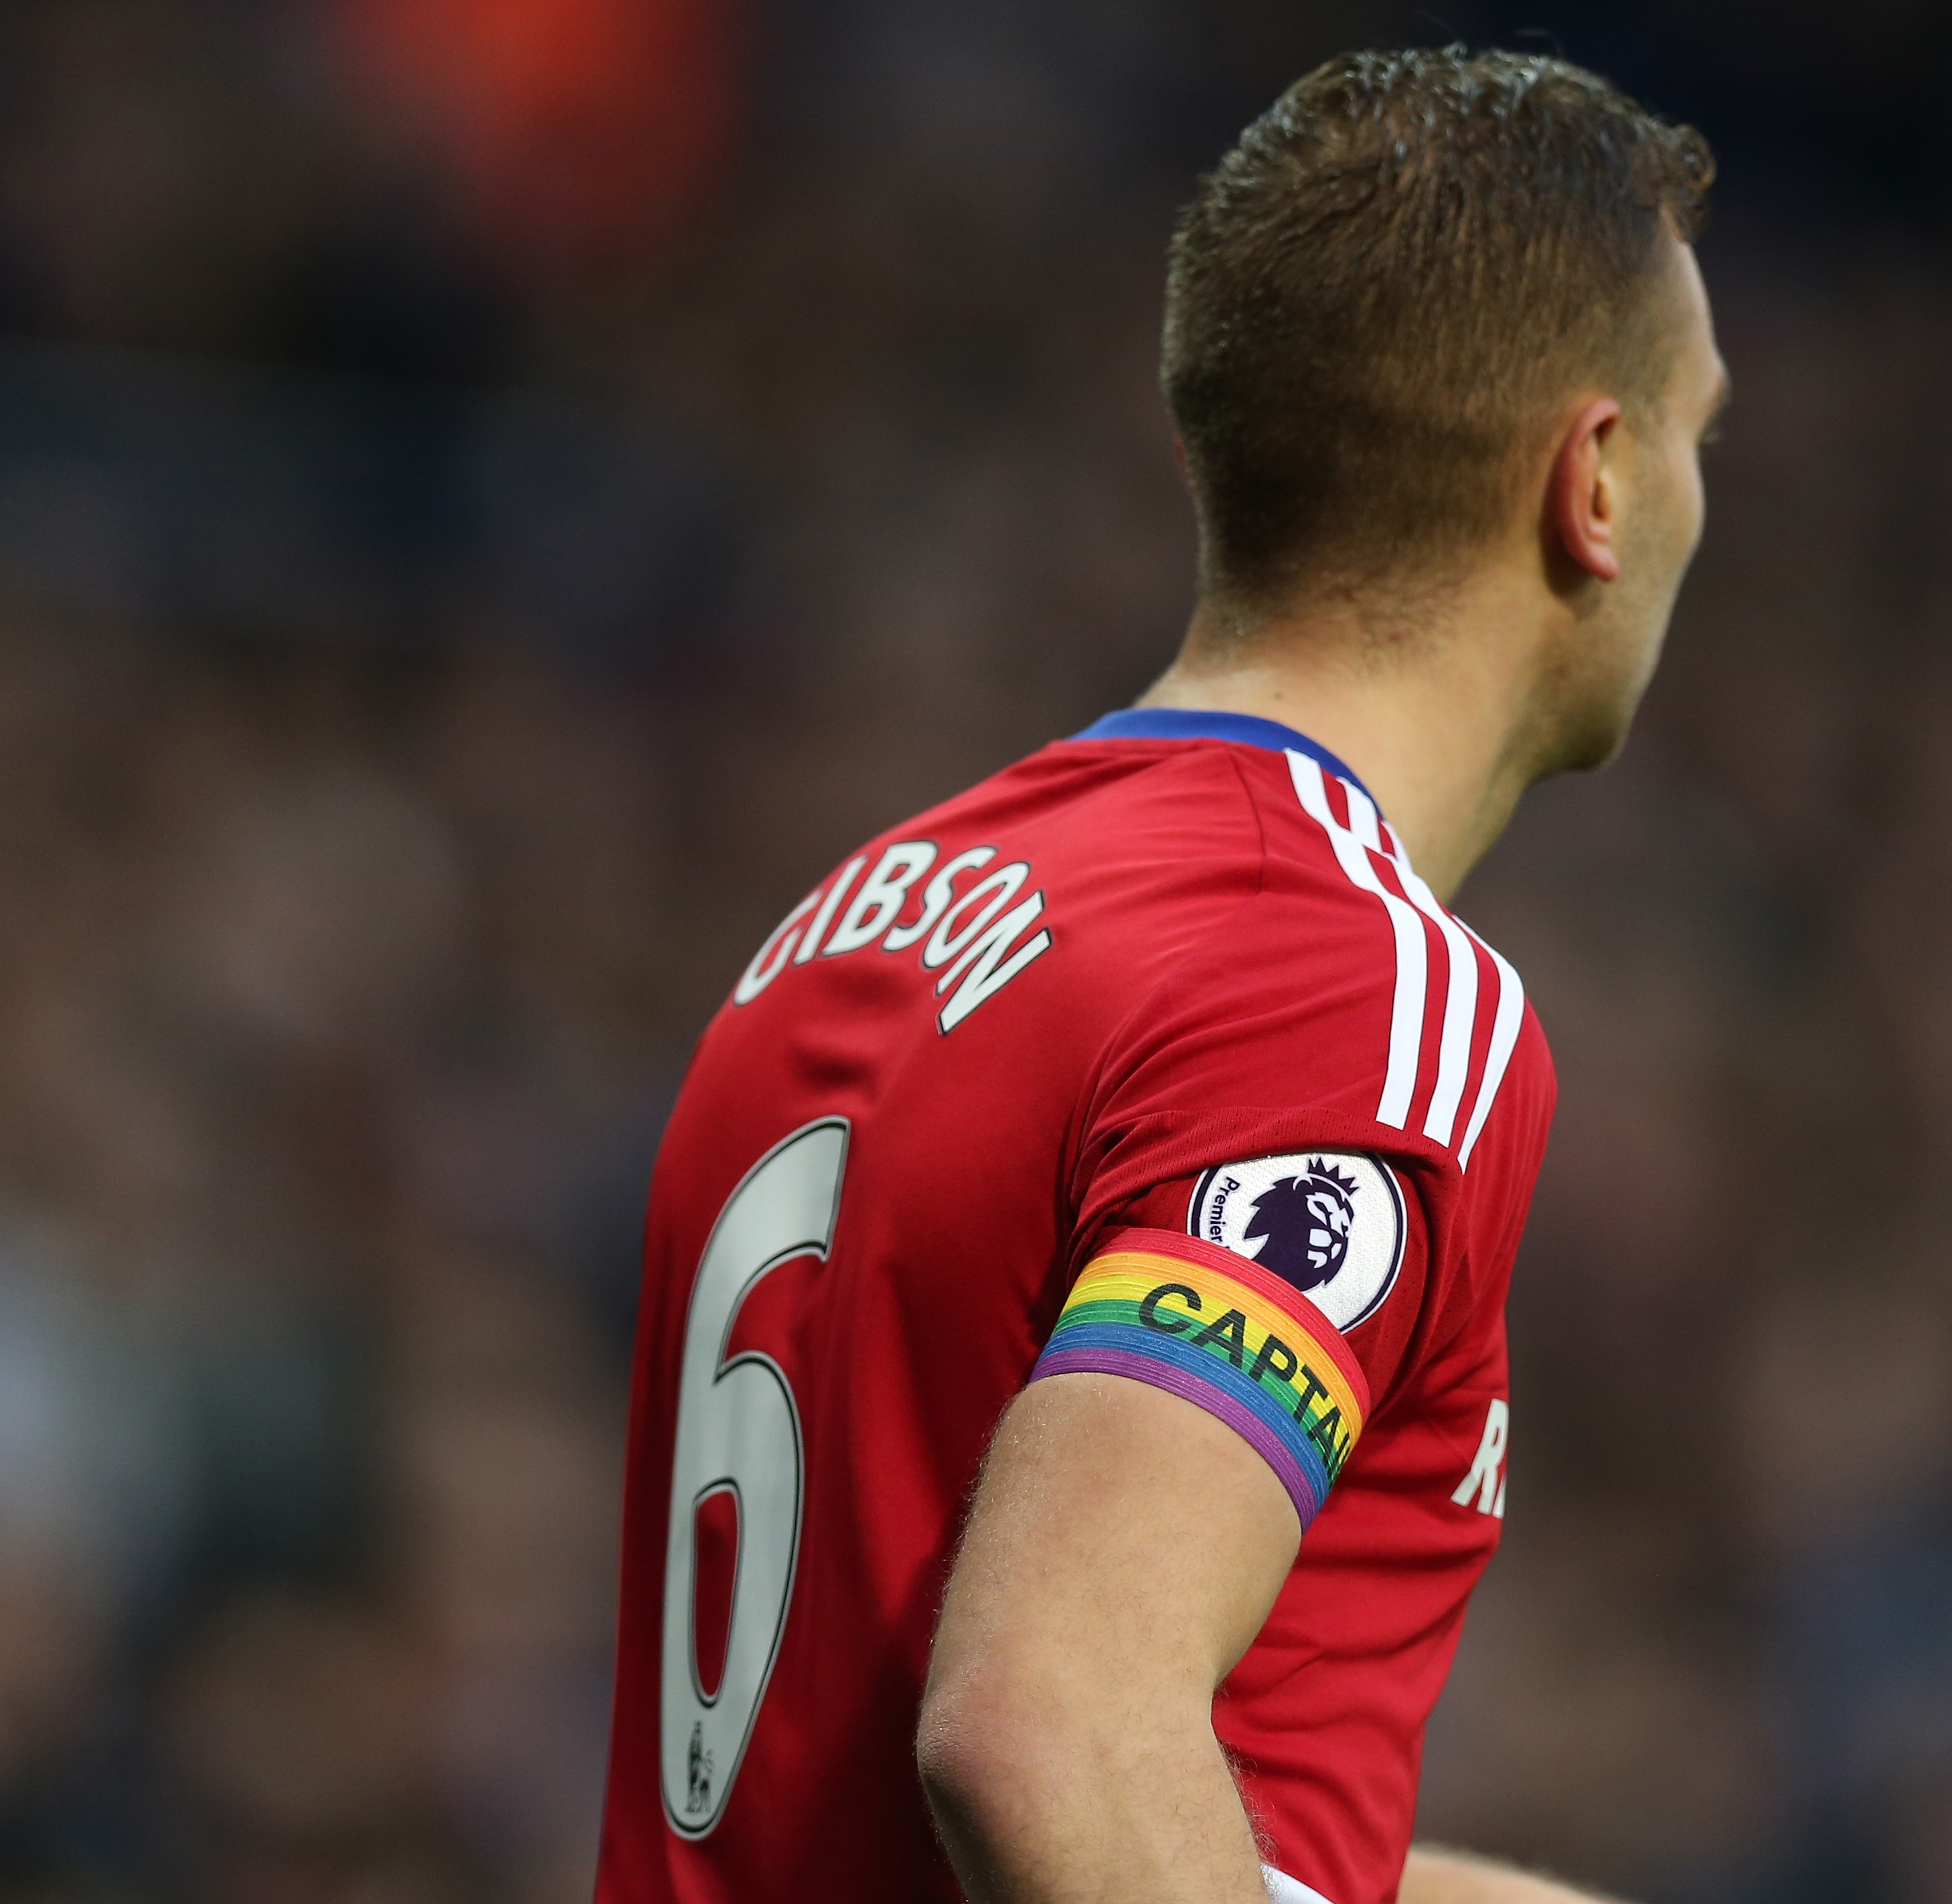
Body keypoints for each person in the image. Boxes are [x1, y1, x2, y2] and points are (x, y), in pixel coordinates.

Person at [594, 45, 1726, 1904]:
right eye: (1699, 429)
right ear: (1593, 478)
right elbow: (1045, 1731)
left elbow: (897, 1786)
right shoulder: (1348, 989)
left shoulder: (875, 908)